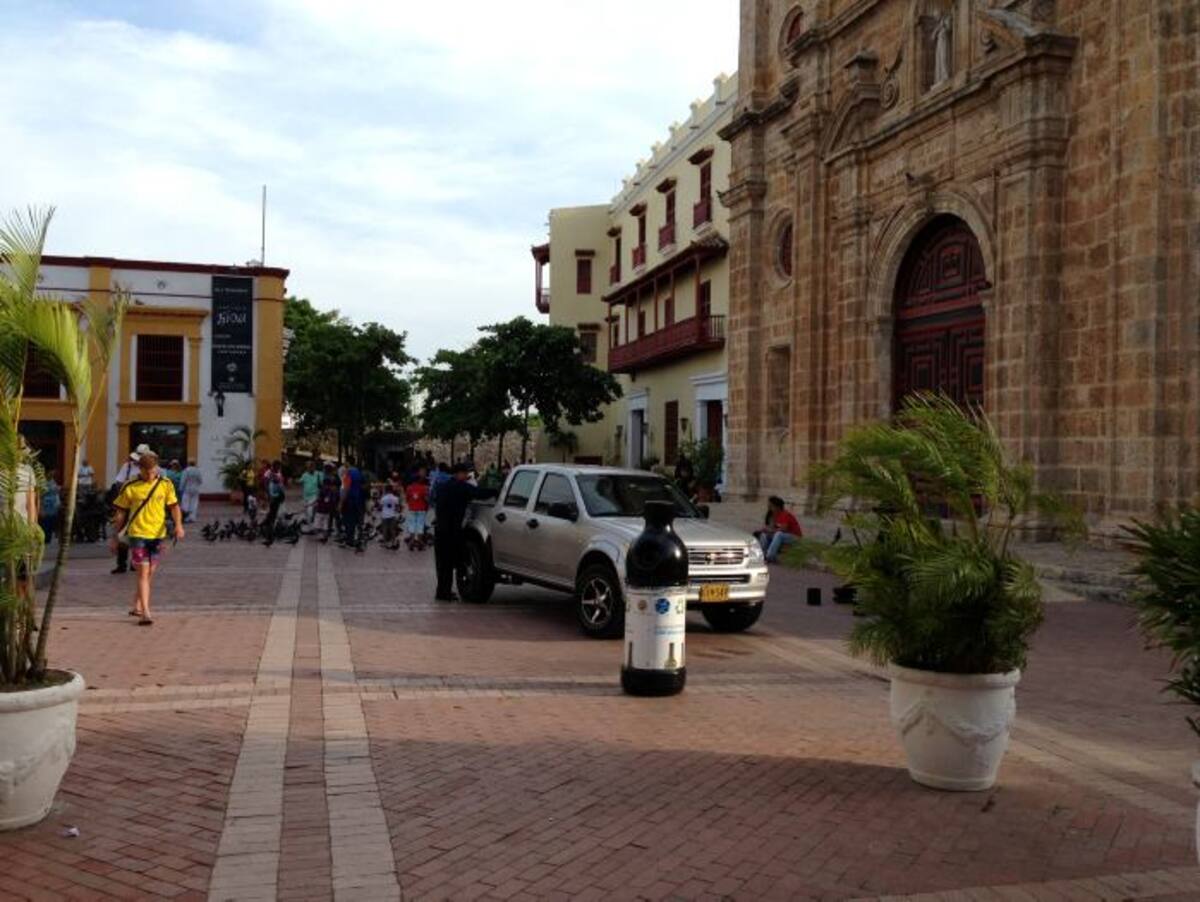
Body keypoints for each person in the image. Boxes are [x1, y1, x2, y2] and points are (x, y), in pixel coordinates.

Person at [109, 449, 184, 625]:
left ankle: (137, 605)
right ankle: (146, 613)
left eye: (153, 471)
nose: (150, 475)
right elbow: (120, 513)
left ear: (157, 468)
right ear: (139, 470)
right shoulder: (130, 486)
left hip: (158, 535)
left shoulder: (165, 484)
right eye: (146, 472)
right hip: (138, 534)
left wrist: (179, 525)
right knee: (143, 572)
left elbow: (174, 507)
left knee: (149, 572)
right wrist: (115, 537)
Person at [432, 463, 497, 601]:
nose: (466, 476)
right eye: (464, 473)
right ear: (458, 473)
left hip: (440, 529)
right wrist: (496, 491)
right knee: (452, 562)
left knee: (442, 564)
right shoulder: (461, 487)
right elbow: (479, 494)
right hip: (452, 531)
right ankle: (446, 593)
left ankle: (442, 592)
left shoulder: (443, 486)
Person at [109, 447, 145, 575]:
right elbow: (118, 482)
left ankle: (135, 563)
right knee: (122, 534)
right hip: (127, 504)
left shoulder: (149, 469)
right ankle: (121, 564)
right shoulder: (127, 466)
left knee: (138, 536)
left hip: (141, 506)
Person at [757, 496, 802, 563]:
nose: (769, 508)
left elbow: (783, 529)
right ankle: (761, 555)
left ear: (777, 507)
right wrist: (765, 530)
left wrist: (770, 531)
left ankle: (770, 556)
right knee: (764, 535)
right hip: (782, 536)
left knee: (779, 534)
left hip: (794, 536)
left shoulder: (785, 514)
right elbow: (771, 527)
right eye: (768, 506)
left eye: (771, 506)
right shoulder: (773, 515)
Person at [339, 459, 366, 552]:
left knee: (348, 520)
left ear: (348, 463)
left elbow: (345, 488)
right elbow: (363, 486)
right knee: (355, 520)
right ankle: (356, 538)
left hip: (349, 501)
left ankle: (349, 540)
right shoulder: (358, 472)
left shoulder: (348, 473)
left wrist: (341, 502)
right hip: (358, 500)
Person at [404, 466, 430, 550]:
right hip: (421, 509)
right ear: (419, 480)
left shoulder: (409, 488)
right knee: (420, 526)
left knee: (412, 525)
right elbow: (426, 499)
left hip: (412, 509)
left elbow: (407, 498)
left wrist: (411, 503)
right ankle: (420, 542)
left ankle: (411, 542)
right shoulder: (423, 488)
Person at [262, 460, 286, 545]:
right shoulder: (268, 473)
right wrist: (268, 494)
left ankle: (267, 529)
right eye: (277, 466)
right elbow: (265, 483)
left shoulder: (279, 473)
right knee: (272, 515)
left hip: (278, 497)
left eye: (279, 467)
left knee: (272, 515)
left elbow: (281, 485)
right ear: (273, 466)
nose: (278, 468)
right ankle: (269, 534)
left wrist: (282, 495)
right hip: (272, 497)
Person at [316, 462, 340, 541]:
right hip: (331, 500)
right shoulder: (330, 477)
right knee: (330, 516)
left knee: (332, 516)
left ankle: (333, 530)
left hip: (331, 500)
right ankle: (329, 531)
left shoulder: (332, 477)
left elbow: (336, 486)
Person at [40, 470, 61, 545]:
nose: (51, 475)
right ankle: (45, 538)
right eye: (50, 473)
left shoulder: (53, 482)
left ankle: (48, 538)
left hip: (53, 506)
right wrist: (41, 508)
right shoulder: (42, 482)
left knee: (51, 522)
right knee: (45, 523)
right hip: (46, 506)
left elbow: (56, 494)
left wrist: (58, 503)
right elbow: (41, 496)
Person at [299, 460, 322, 527]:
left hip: (314, 495)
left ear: (314, 467)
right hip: (305, 496)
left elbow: (321, 484)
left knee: (310, 511)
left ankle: (311, 525)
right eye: (308, 467)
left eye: (311, 467)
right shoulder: (305, 474)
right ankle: (309, 525)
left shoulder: (318, 474)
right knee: (306, 512)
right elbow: (300, 481)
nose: (310, 468)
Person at [378, 484, 401, 549]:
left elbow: (380, 507)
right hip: (392, 515)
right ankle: (393, 541)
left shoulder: (383, 498)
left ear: (386, 490)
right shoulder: (395, 498)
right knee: (392, 529)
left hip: (384, 515)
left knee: (384, 529)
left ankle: (385, 542)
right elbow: (397, 508)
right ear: (392, 490)